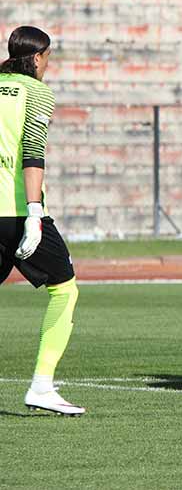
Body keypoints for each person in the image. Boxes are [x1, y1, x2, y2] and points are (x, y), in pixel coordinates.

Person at [0, 26, 84, 416]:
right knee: (64, 290)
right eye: (48, 57)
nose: (48, 65)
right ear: (37, 58)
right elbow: (33, 153)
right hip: (17, 211)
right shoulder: (36, 92)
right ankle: (41, 385)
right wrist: (35, 212)